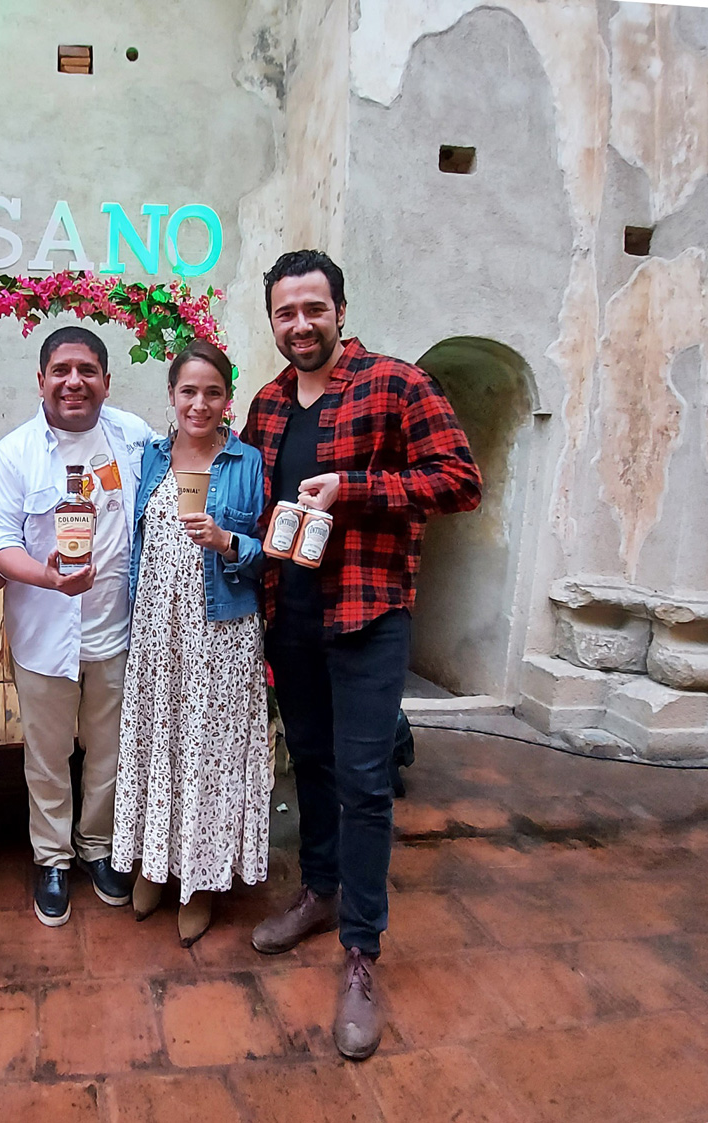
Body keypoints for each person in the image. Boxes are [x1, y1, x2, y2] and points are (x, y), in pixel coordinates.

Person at [242, 250, 481, 1058]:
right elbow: (252, 494)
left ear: (340, 310)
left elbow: (460, 479)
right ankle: (318, 889)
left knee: (366, 781)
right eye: (285, 312)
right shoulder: (269, 403)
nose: (300, 325)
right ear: (271, 319)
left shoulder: (397, 384)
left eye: (314, 309)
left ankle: (361, 952)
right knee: (307, 760)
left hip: (370, 612)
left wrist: (358, 489)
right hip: (292, 613)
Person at [0, 325, 155, 926]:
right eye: (60, 370)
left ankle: (97, 847)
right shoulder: (15, 454)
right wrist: (47, 576)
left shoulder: (135, 440)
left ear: (107, 381)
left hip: (119, 632)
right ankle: (51, 858)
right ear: (40, 380)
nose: (73, 382)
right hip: (43, 639)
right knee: (49, 756)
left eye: (86, 370)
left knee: (109, 752)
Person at [111, 340, 269, 947]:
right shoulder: (151, 455)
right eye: (187, 391)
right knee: (158, 739)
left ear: (228, 398)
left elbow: (265, 552)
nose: (199, 404)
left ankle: (201, 880)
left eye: (212, 392)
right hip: (156, 627)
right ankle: (156, 863)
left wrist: (228, 543)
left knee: (207, 750)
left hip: (220, 630)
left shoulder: (246, 463)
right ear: (171, 396)